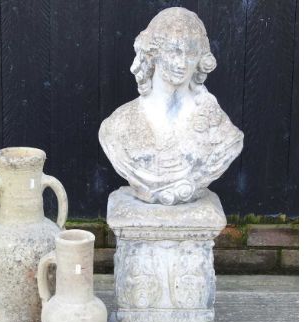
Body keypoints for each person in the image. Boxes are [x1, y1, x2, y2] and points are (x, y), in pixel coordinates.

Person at [99, 7, 244, 205]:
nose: (182, 63)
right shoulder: (117, 126)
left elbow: (227, 146)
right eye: (173, 51)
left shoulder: (219, 128)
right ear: (153, 54)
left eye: (191, 53)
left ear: (201, 58)